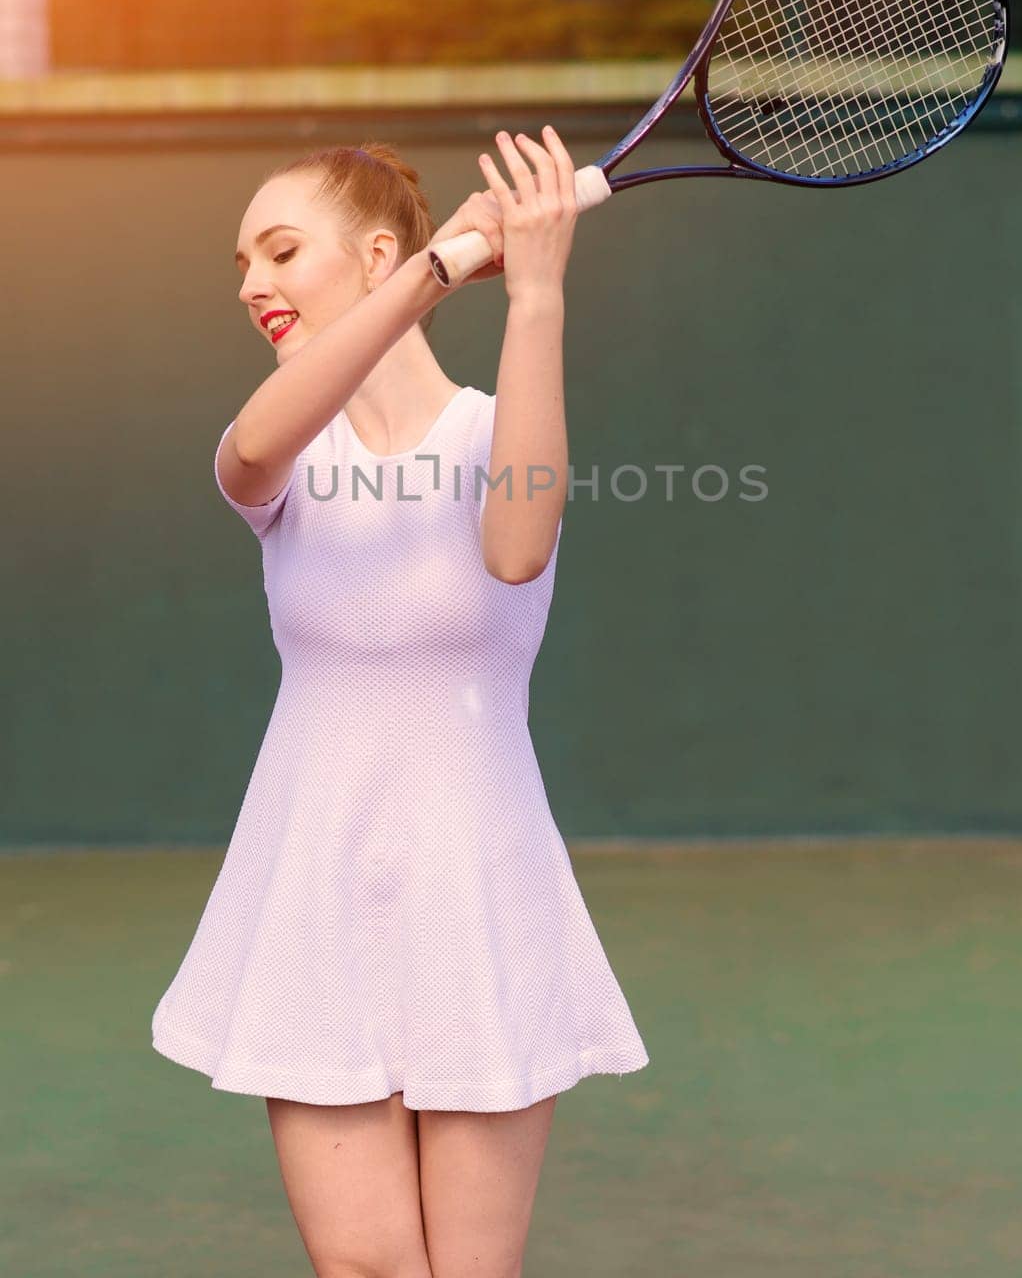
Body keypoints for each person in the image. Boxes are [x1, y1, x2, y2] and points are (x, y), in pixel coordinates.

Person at [150, 126, 649, 1278]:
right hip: (312, 898)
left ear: (374, 252)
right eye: (240, 266)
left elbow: (517, 549)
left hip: (478, 895)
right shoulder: (269, 453)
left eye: (279, 251)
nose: (252, 284)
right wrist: (441, 268)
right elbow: (260, 442)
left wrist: (533, 293)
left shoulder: (493, 435)